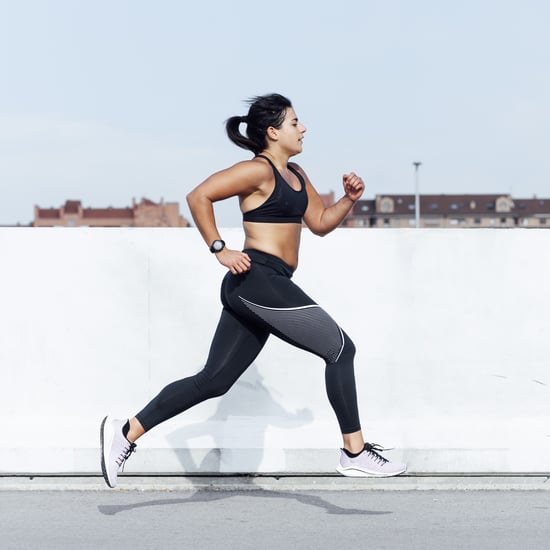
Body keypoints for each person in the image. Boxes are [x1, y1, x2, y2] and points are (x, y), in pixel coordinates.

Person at [100, 93, 406, 488]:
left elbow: (320, 222)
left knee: (213, 381)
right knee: (340, 349)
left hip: (265, 284)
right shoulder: (258, 171)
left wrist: (348, 200)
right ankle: (354, 451)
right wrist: (219, 249)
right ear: (274, 131)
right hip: (256, 278)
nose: (303, 128)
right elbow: (198, 196)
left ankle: (125, 432)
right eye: (295, 122)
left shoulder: (297, 174)